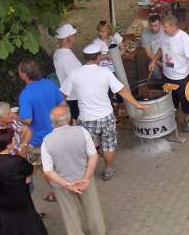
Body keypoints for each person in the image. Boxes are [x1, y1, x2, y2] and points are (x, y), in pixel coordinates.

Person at [60, 44, 148, 180]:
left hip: (86, 119)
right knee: (108, 145)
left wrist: (63, 114)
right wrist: (137, 104)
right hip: (106, 117)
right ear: (98, 57)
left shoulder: (74, 74)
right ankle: (108, 169)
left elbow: (63, 95)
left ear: (84, 58)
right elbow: (122, 91)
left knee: (87, 147)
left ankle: (86, 172)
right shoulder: (105, 72)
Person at [41, 104, 106, 235]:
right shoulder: (82, 132)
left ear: (52, 122)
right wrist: (86, 178)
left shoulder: (47, 141)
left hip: (62, 185)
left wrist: (67, 185)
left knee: (70, 215)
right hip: (83, 179)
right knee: (92, 208)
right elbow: (93, 156)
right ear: (69, 118)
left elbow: (48, 171)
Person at [17, 59, 65, 200]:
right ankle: (66, 184)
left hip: (39, 140)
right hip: (58, 133)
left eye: (19, 71)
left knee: (46, 168)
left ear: (24, 74)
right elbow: (62, 104)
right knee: (60, 164)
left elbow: (27, 119)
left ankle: (59, 193)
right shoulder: (50, 84)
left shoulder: (26, 94)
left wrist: (17, 117)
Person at [159, 14, 189, 131]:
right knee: (170, 98)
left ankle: (187, 118)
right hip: (167, 74)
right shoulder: (163, 34)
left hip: (180, 76)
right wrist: (154, 60)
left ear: (173, 27)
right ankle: (173, 116)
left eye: (165, 27)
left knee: (184, 99)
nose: (163, 29)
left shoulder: (184, 38)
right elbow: (161, 48)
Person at [53, 23, 82, 120]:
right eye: (73, 36)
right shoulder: (66, 56)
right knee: (80, 121)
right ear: (68, 38)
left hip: (71, 94)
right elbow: (76, 77)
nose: (75, 38)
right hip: (75, 95)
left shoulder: (59, 52)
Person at [141, 14, 165, 84]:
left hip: (165, 55)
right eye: (151, 25)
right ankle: (160, 84)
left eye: (156, 25)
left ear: (160, 24)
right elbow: (149, 54)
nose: (153, 28)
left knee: (172, 68)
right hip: (151, 58)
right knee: (155, 71)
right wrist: (160, 64)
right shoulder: (145, 35)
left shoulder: (165, 30)